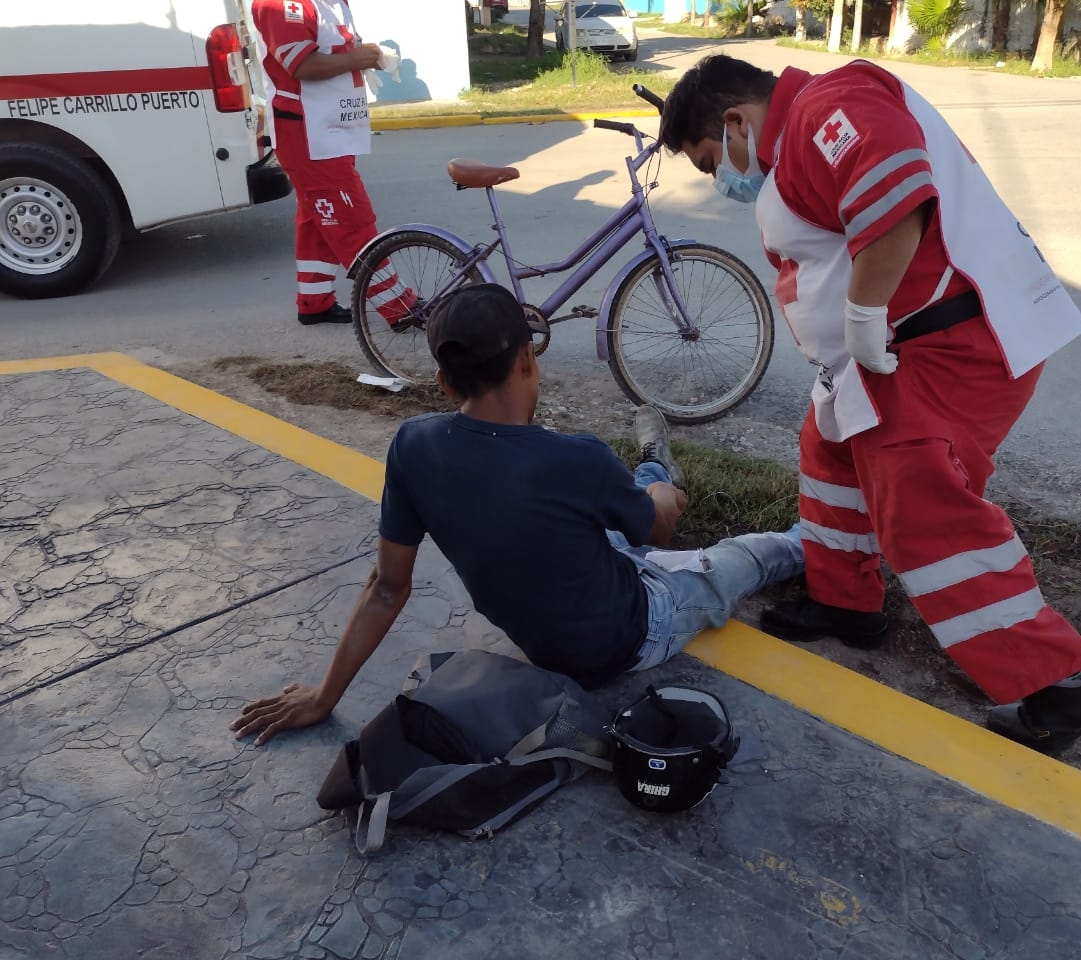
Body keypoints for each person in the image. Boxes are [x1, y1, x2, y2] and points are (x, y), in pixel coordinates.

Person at [657, 54, 1081, 756]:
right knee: (830, 449)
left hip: (949, 341)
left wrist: (860, 318)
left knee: (922, 507)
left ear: (735, 122)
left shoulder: (827, 110)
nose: (723, 179)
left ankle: (1061, 685)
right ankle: (844, 598)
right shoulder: (803, 134)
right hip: (903, 342)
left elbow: (896, 201)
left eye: (711, 161)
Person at [232, 283, 804, 745]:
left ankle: (653, 465)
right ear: (529, 357)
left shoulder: (413, 447)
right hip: (634, 632)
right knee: (742, 554)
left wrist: (323, 696)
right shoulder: (574, 458)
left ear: (442, 379)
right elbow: (658, 532)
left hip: (558, 621)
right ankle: (803, 532)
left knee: (610, 511)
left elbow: (386, 587)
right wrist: (663, 507)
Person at [251, 0, 416, 327]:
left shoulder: (332, 3)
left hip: (329, 127)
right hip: (307, 130)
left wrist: (368, 58)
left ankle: (314, 300)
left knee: (318, 215)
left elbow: (335, 50)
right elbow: (301, 65)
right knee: (349, 215)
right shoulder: (282, 4)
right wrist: (355, 59)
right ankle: (400, 307)